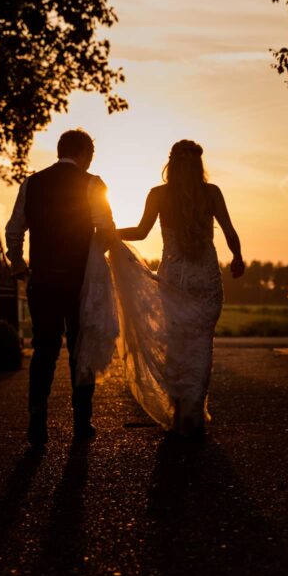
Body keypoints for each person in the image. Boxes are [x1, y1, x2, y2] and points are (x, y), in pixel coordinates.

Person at [77, 139, 244, 436]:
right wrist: (238, 258)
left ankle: (180, 413)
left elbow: (140, 232)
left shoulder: (158, 195)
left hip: (174, 277)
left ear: (171, 162)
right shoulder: (212, 193)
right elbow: (230, 231)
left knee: (177, 344)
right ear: (198, 164)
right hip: (206, 277)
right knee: (202, 344)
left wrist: (107, 234)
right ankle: (193, 416)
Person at [5, 128, 114, 446]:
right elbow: (106, 229)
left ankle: (37, 420)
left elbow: (14, 229)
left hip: (42, 280)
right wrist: (94, 260)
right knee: (82, 350)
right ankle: (82, 422)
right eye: (91, 154)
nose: (91, 160)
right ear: (83, 153)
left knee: (44, 350)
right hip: (80, 281)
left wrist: (19, 264)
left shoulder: (32, 182)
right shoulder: (93, 183)